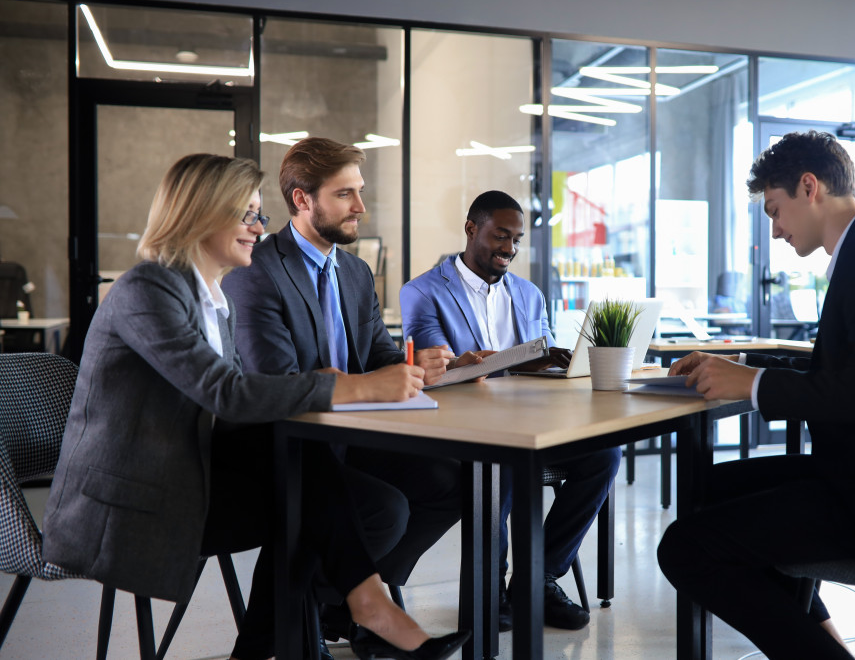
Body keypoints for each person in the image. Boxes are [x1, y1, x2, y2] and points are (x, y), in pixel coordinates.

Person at [41, 154, 469, 660]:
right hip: (125, 505)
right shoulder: (147, 289)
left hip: (185, 475)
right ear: (202, 213)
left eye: (259, 215)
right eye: (247, 215)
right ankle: (361, 609)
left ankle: (345, 613)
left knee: (317, 486)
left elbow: (241, 404)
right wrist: (353, 387)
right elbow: (228, 392)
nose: (258, 228)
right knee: (312, 496)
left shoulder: (211, 298)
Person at [656, 131, 855, 659]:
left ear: (809, 187)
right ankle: (824, 638)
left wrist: (757, 386)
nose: (775, 229)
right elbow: (851, 368)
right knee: (710, 487)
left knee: (684, 549)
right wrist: (744, 366)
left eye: (774, 209)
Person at [220, 138, 463, 644]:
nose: (361, 207)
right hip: (289, 446)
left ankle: (337, 604)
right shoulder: (257, 273)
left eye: (360, 192)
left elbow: (380, 360)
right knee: (385, 509)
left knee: (452, 480)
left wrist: (424, 370)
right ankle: (346, 605)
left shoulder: (354, 272)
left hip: (351, 437)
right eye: (345, 194)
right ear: (302, 200)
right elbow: (277, 383)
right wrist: (378, 381)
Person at [400, 189, 620, 631]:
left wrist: (552, 361)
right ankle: (491, 589)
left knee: (603, 455)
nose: (510, 249)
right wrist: (468, 364)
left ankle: (537, 579)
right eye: (501, 236)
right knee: (498, 471)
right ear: (471, 228)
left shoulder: (530, 294)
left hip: (530, 425)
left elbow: (536, 359)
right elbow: (432, 369)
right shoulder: (422, 292)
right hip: (467, 432)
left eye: (517, 240)